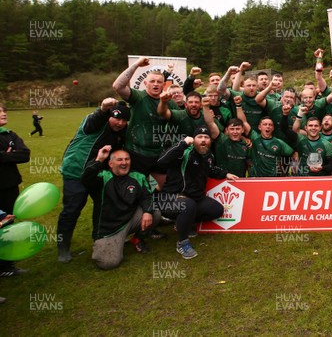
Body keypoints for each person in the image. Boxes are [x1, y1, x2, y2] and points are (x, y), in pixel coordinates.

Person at [57, 99, 129, 263]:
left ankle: (99, 239)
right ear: (109, 115)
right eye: (117, 118)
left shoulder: (120, 133)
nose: (120, 123)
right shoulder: (94, 124)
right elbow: (95, 119)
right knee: (72, 210)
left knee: (103, 206)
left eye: (124, 120)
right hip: (76, 172)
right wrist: (102, 109)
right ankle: (63, 247)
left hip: (97, 175)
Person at [155, 126, 237, 259]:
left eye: (206, 137)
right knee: (188, 205)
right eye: (200, 137)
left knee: (217, 210)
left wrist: (225, 174)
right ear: (193, 139)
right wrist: (182, 144)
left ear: (210, 140)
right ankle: (182, 243)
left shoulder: (208, 155)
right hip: (170, 199)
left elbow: (210, 169)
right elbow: (161, 161)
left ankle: (182, 223)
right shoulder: (184, 152)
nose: (203, 140)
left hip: (194, 199)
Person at [82, 147, 160, 270]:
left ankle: (137, 239)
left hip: (130, 219)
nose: (124, 162)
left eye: (127, 159)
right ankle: (110, 243)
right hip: (110, 229)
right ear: (110, 163)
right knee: (108, 263)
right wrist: (98, 159)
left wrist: (147, 212)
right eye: (119, 160)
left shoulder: (138, 177)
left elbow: (147, 197)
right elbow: (86, 178)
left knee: (154, 213)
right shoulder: (102, 177)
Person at [112, 57, 179, 190]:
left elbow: (177, 124)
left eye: (159, 82)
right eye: (152, 81)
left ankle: (156, 206)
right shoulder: (138, 97)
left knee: (166, 185)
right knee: (138, 187)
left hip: (158, 153)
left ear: (163, 84)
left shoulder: (170, 103)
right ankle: (142, 209)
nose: (155, 84)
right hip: (136, 152)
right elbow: (118, 86)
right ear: (145, 83)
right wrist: (136, 64)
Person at [0, 103, 31, 277]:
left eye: (4, 110)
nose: (4, 113)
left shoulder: (10, 134)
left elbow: (25, 154)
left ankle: (5, 265)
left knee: (7, 224)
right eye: (0, 111)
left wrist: (4, 155)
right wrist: (9, 156)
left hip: (10, 187)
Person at [282, 104, 332, 176]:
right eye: (310, 125)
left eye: (316, 126)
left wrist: (322, 168)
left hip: (319, 180)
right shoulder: (300, 139)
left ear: (320, 128)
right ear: (306, 128)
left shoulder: (327, 144)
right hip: (302, 178)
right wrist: (285, 114)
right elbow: (284, 129)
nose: (313, 128)